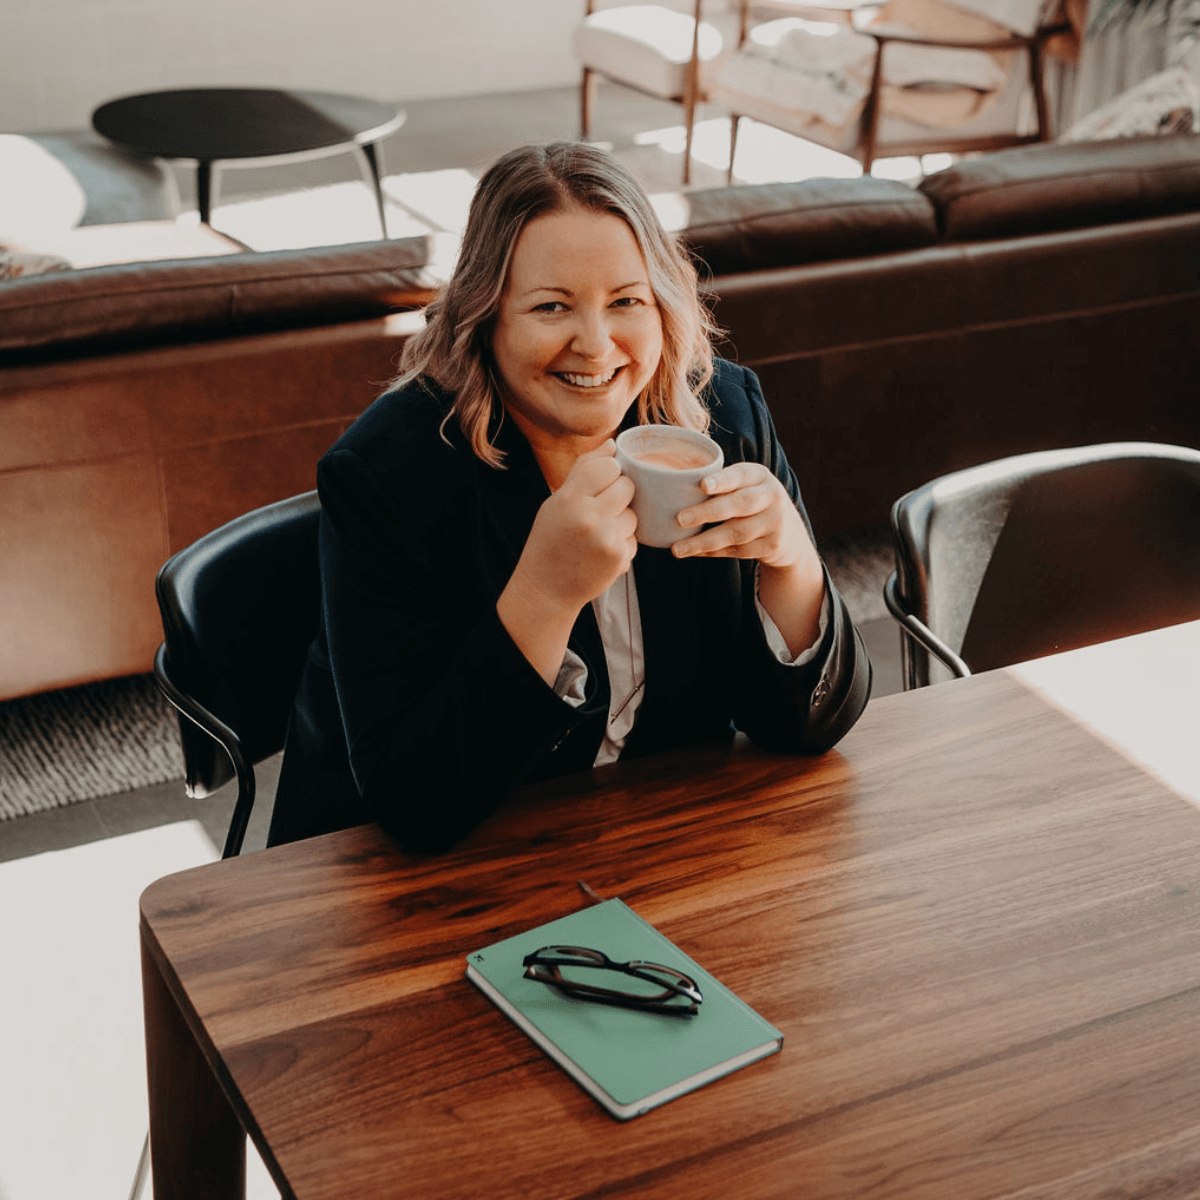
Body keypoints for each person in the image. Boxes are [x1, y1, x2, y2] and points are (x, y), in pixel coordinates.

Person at [268, 141, 872, 853]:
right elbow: (414, 806)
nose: (596, 345)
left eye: (627, 302)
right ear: (485, 316)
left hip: (647, 846)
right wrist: (545, 596)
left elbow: (809, 728)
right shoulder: (387, 476)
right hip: (406, 875)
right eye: (552, 306)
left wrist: (793, 564)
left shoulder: (726, 420)